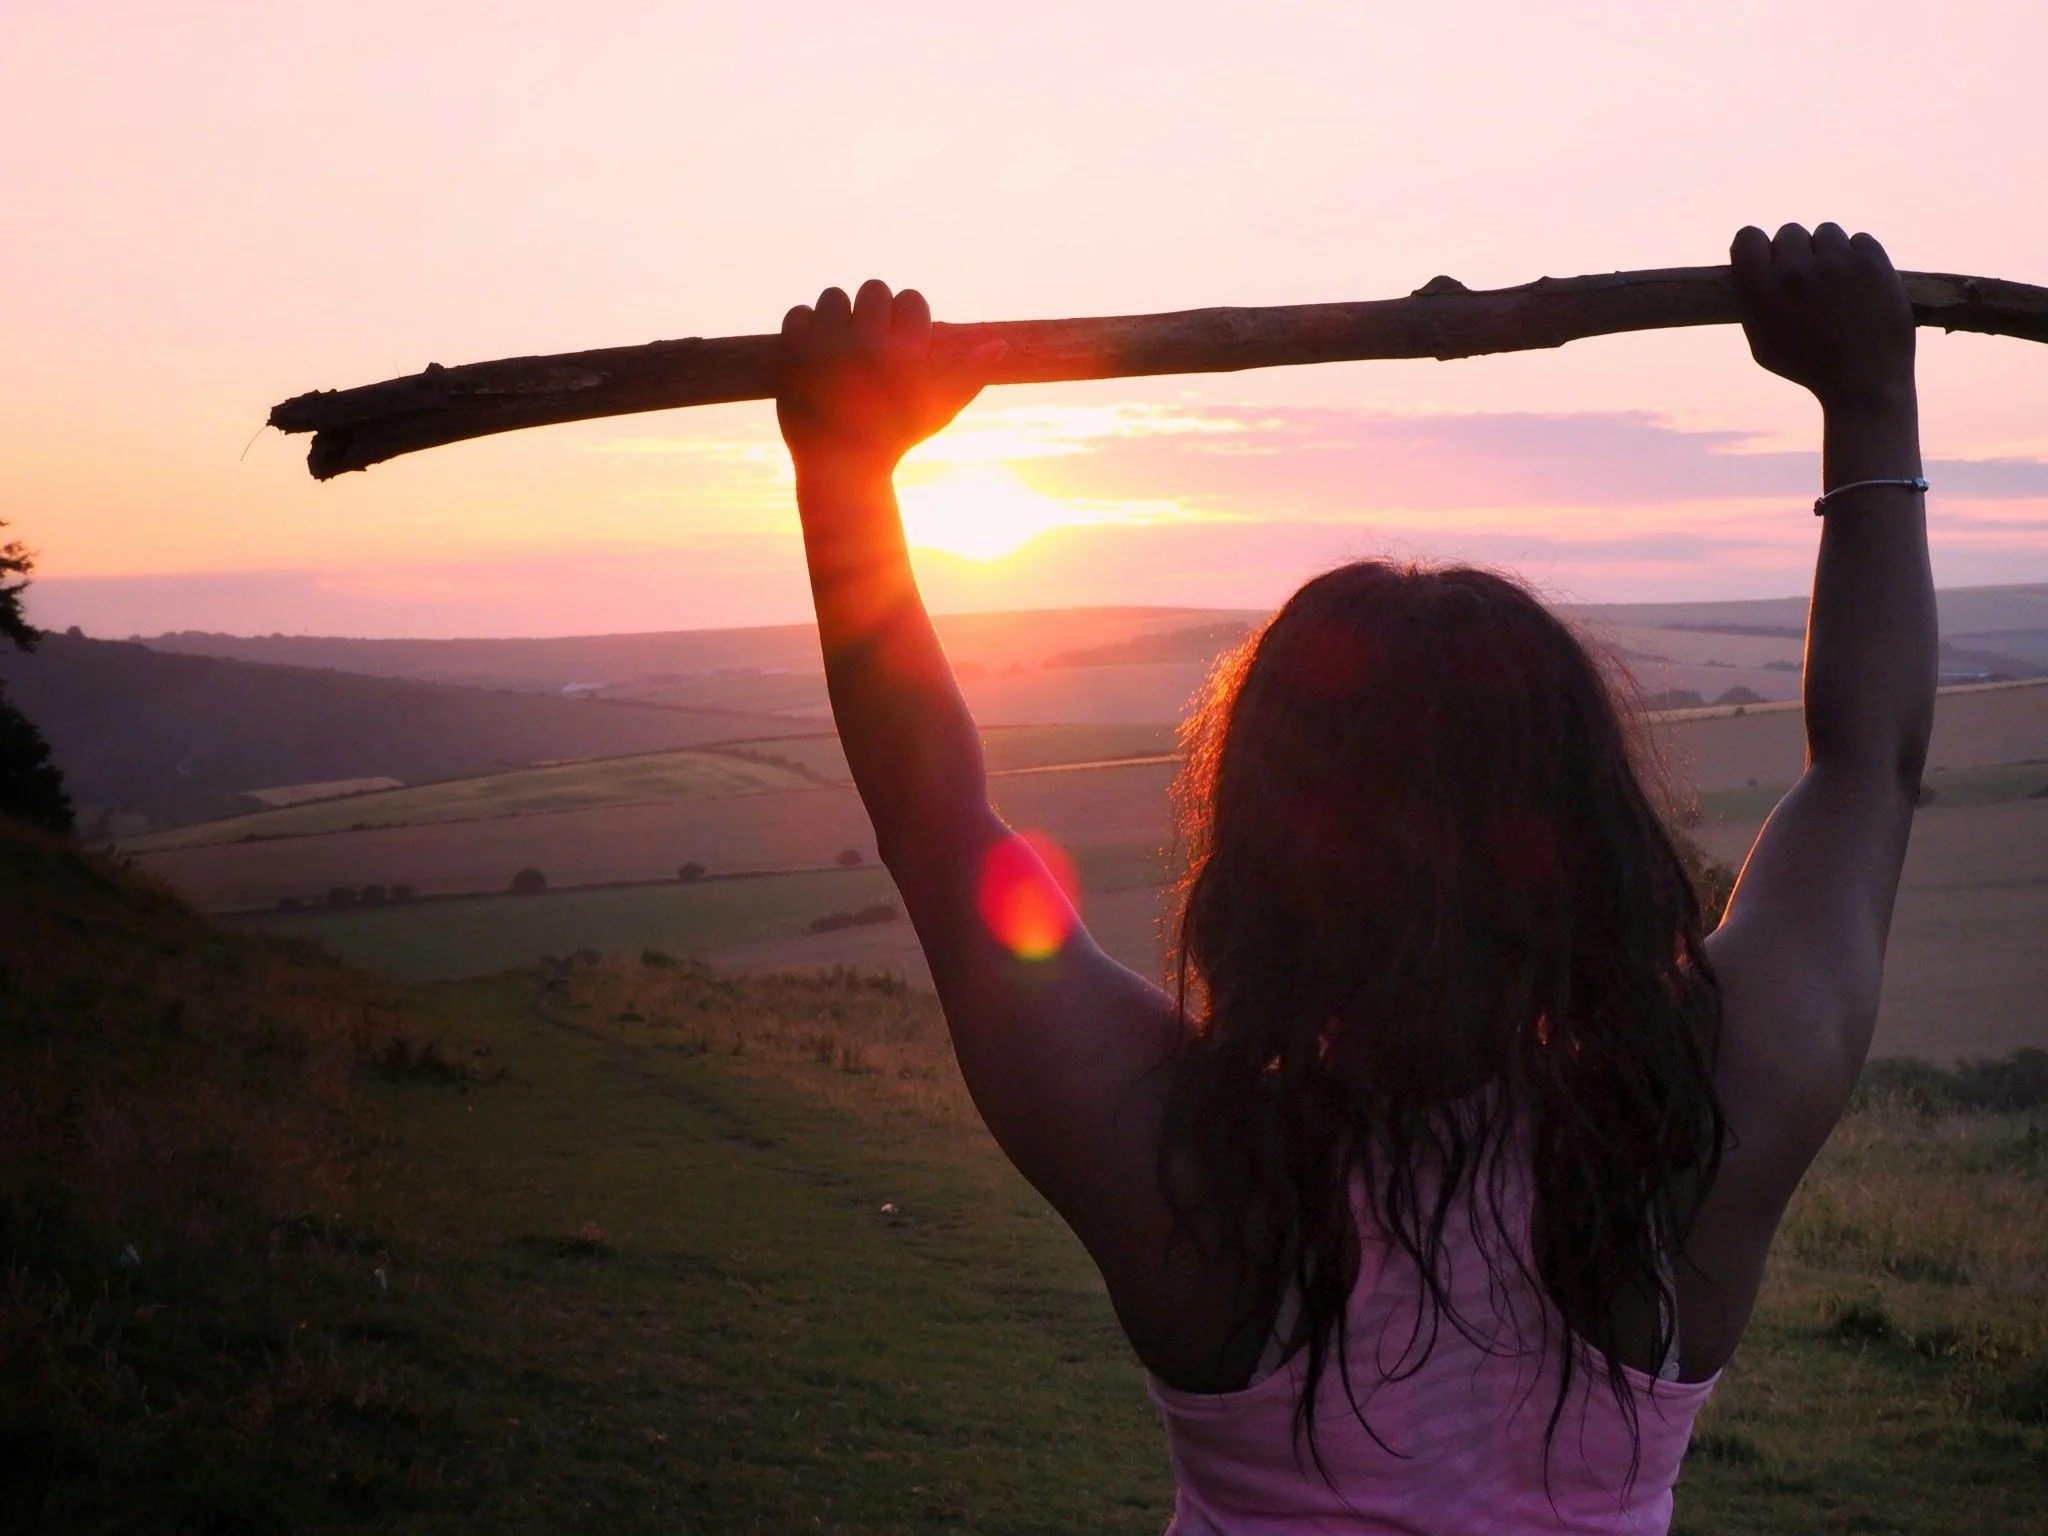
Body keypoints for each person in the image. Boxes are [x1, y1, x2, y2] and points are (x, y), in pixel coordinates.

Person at [772, 222, 1932, 1534]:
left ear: (1261, 845)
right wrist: (1868, 398)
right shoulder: (1706, 1121)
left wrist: (846, 472)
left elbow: (934, 825)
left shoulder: (1174, 1154)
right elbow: (1868, 771)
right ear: (1587, 834)